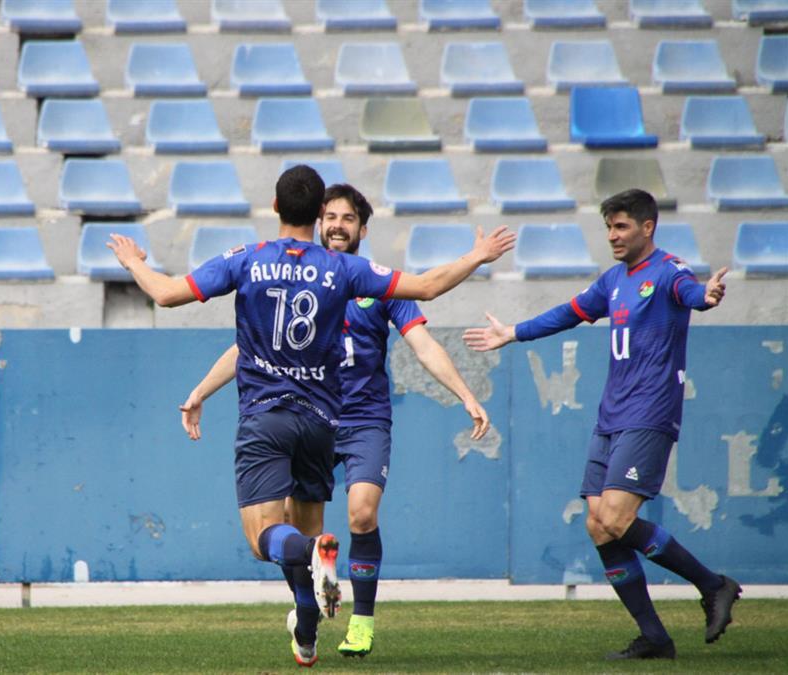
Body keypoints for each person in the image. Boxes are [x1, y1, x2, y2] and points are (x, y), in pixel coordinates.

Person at [107, 165, 514, 666]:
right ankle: (306, 623)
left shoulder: (247, 260)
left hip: (265, 416)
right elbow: (428, 286)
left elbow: (167, 294)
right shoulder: (343, 271)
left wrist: (132, 262)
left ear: (275, 207)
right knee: (305, 533)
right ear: (318, 214)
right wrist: (476, 255)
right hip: (321, 424)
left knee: (266, 540)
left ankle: (313, 556)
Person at [463, 189, 739, 661]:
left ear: (648, 227)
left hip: (649, 412)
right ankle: (654, 637)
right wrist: (512, 333)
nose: (613, 235)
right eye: (609, 227)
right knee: (598, 525)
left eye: (622, 226)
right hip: (611, 415)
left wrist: (708, 296)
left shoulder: (669, 272)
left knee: (615, 518)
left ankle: (713, 586)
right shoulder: (613, 279)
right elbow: (568, 314)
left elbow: (693, 295)